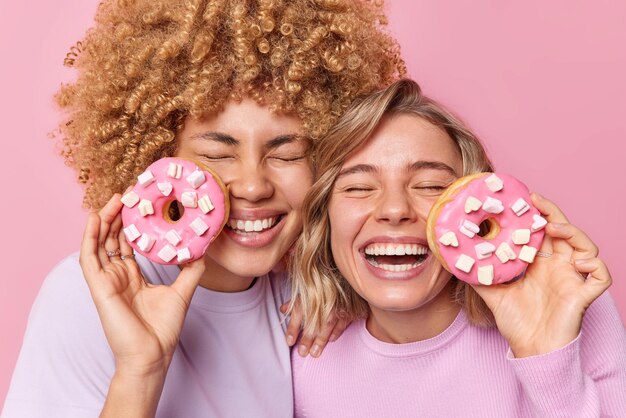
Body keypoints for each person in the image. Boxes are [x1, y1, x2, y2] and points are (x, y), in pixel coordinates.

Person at [2, 1, 405, 417]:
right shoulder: (91, 296)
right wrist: (141, 370)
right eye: (217, 154)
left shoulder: (304, 297)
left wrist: (337, 288)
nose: (252, 185)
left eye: (287, 155)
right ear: (156, 157)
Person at [290, 79, 626, 417]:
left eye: (430, 185)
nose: (394, 210)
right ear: (324, 216)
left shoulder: (571, 304)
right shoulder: (299, 354)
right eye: (360, 187)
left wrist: (546, 356)